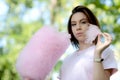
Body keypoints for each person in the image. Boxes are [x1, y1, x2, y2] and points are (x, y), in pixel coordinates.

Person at [59, 5, 118, 80]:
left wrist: (97, 53)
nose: (78, 27)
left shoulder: (104, 51)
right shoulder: (67, 59)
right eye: (73, 24)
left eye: (83, 22)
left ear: (92, 24)